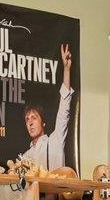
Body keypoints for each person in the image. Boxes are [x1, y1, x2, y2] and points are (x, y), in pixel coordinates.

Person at [19, 41, 76, 170]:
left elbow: (64, 109)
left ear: (43, 123)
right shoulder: (25, 157)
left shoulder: (55, 141)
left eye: (34, 118)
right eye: (27, 119)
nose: (30, 122)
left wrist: (66, 69)